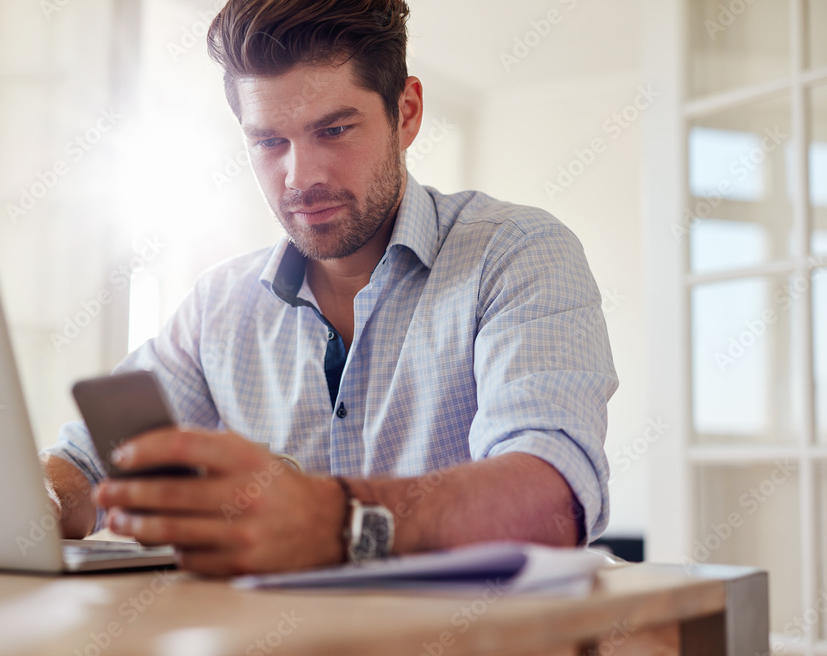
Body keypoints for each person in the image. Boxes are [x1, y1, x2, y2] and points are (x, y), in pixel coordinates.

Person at [40, 0, 618, 576]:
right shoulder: (218, 305)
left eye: (335, 130)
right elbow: (88, 466)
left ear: (407, 113)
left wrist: (335, 520)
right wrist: (37, 504)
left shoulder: (515, 252)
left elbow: (552, 499)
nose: (301, 177)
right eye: (268, 142)